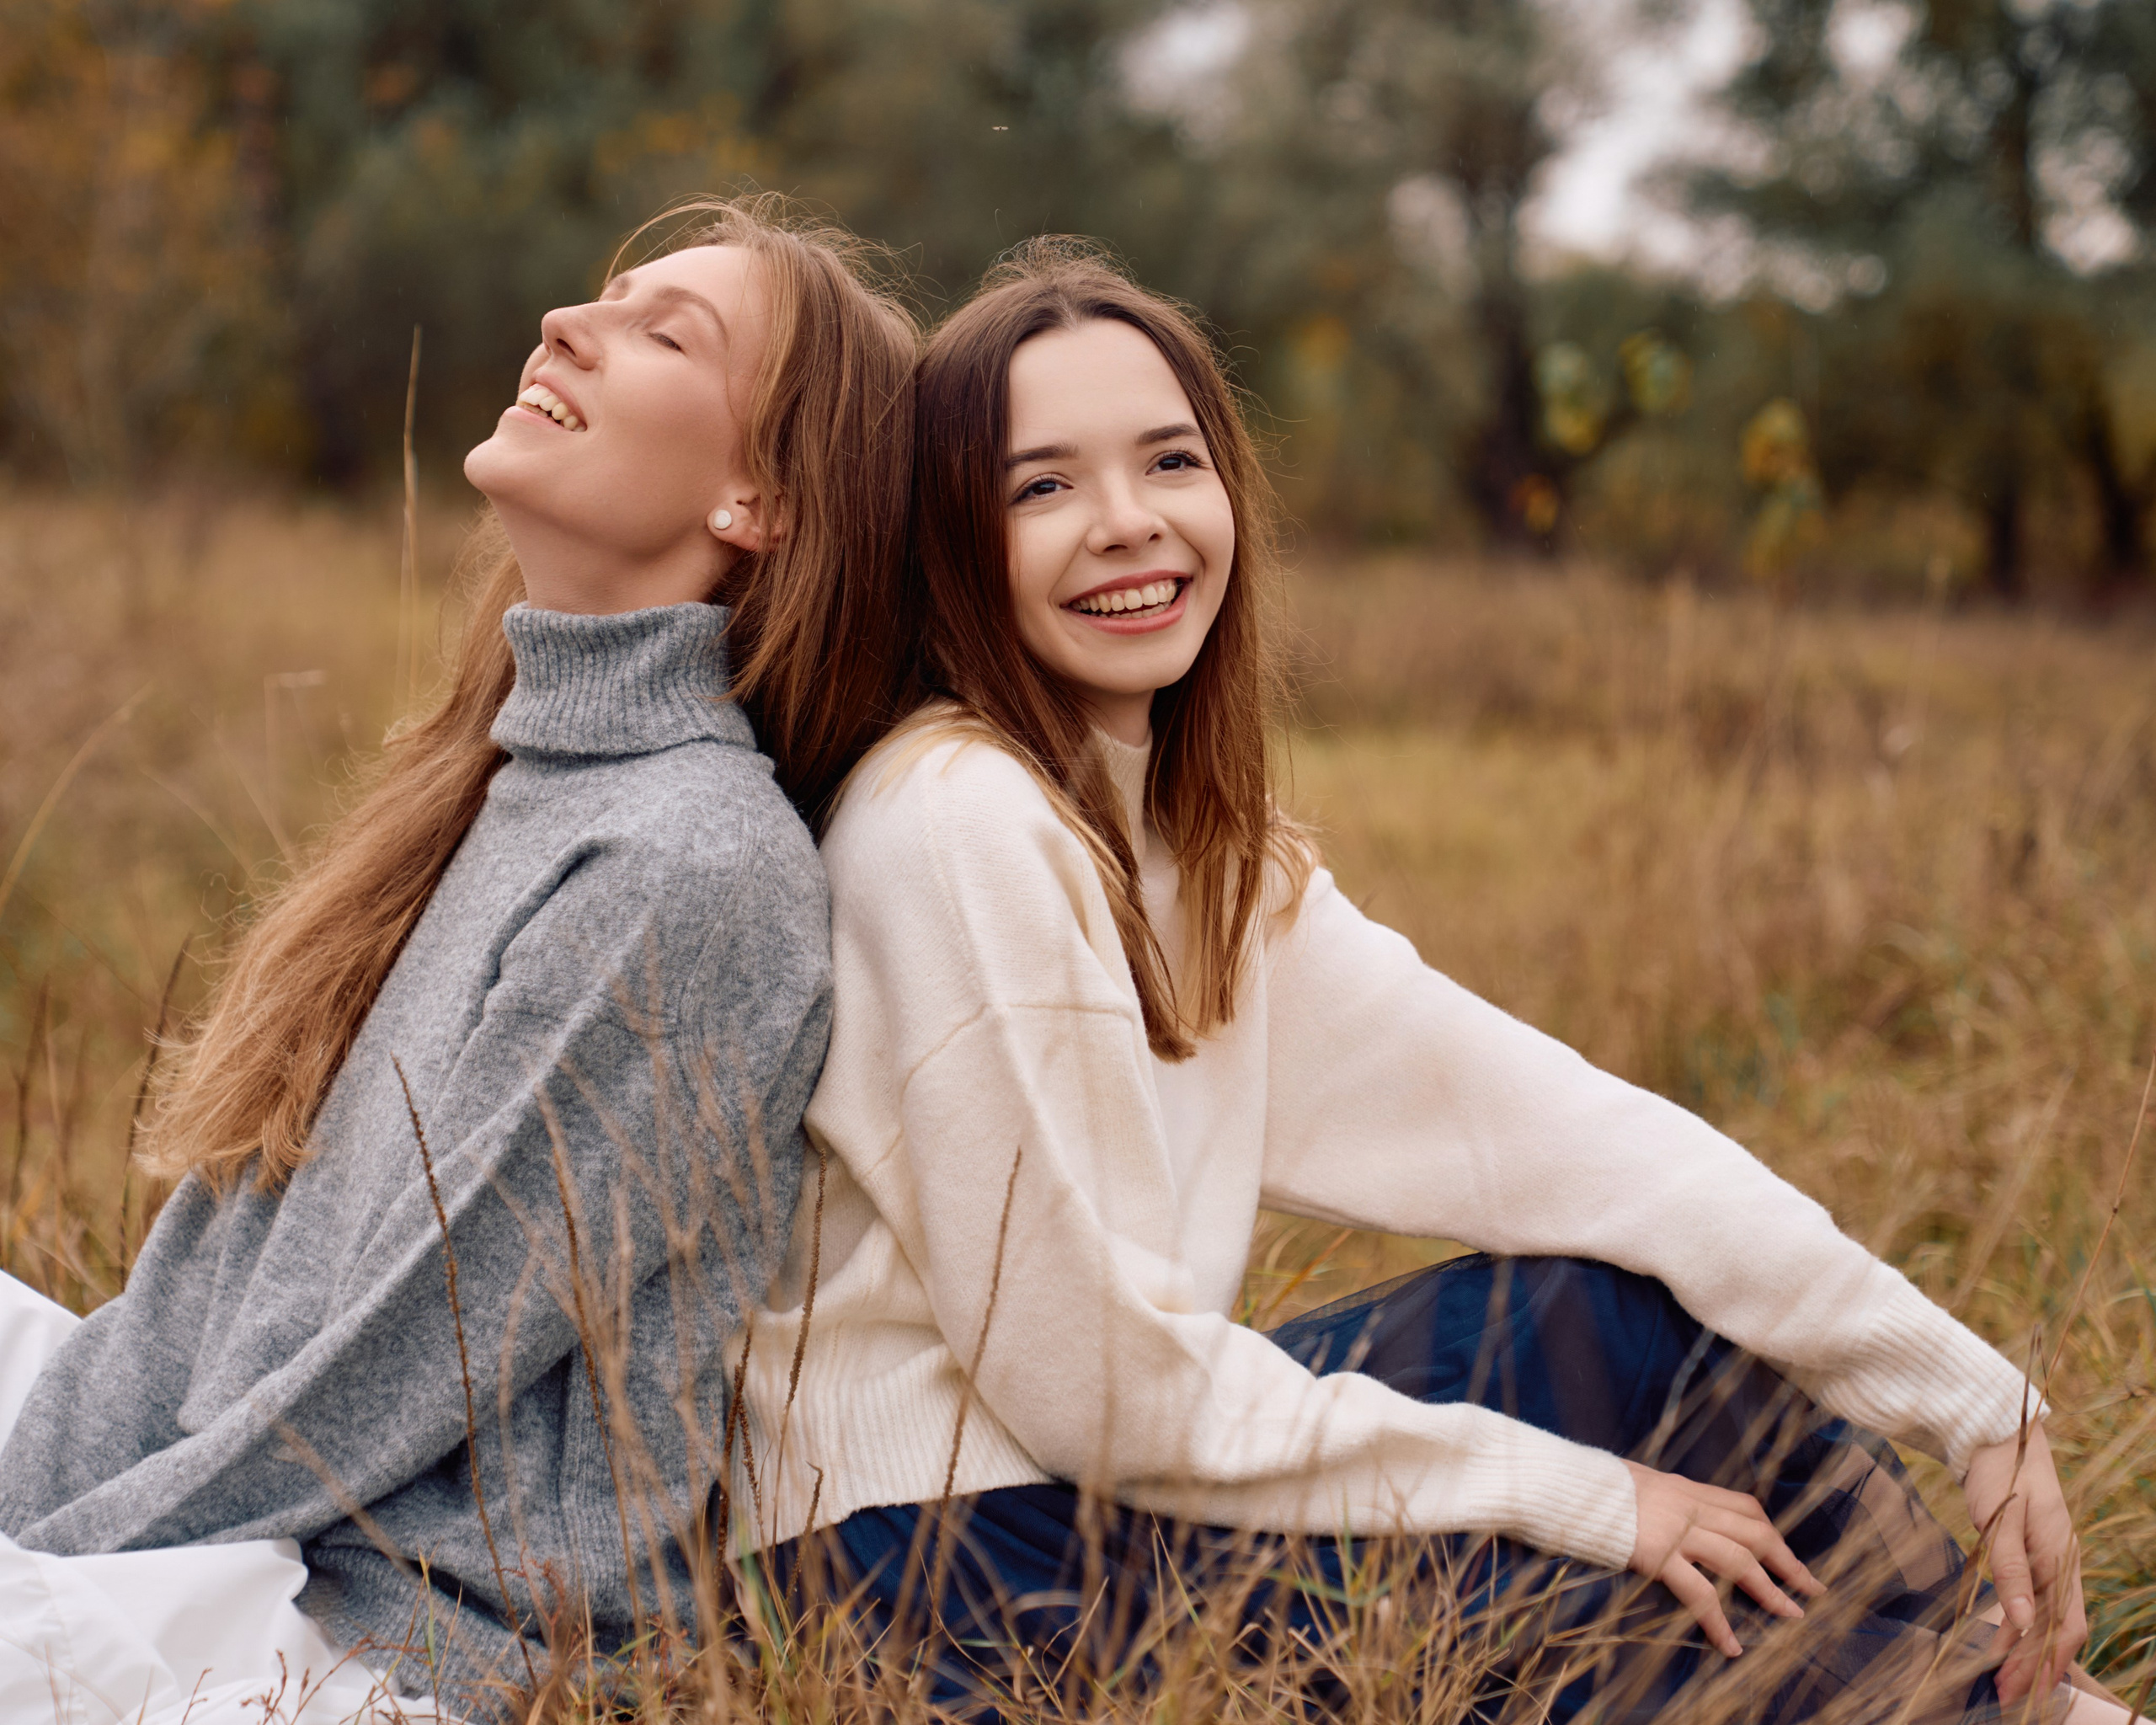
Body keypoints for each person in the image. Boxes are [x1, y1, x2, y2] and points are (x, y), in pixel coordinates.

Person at [731, 242, 2128, 1724]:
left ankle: (2029, 1700)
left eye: (1168, 461)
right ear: (949, 539)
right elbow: (1099, 1389)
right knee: (1636, 1579)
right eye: (1041, 487)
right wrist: (1579, 1496)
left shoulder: (1196, 854)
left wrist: (1973, 1398)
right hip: (928, 1572)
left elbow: (1572, 1139)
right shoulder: (959, 819)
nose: (1128, 526)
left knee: (1616, 1314)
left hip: (1073, 1498)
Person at [0, 195, 917, 1722]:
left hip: (381, 1638)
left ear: (758, 497)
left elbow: (391, 1372)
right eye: (602, 298)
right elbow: (213, 1288)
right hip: (214, 1520)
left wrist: (41, 1552)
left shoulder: (685, 871)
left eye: (659, 330)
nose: (570, 323)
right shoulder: (504, 781)